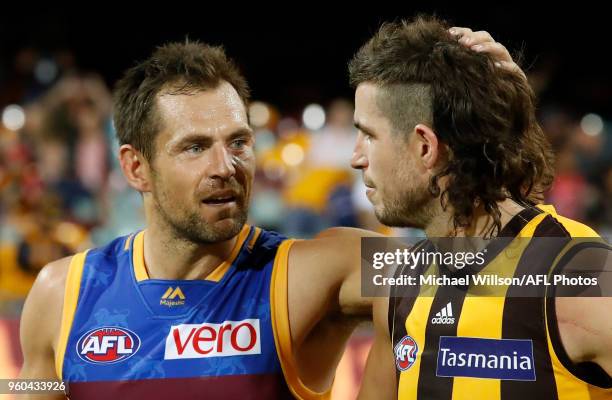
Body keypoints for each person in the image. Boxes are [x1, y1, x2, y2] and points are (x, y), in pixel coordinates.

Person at [19, 30, 518, 400]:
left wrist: (500, 125)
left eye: (238, 142)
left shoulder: (316, 271)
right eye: (194, 147)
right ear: (135, 167)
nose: (226, 167)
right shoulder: (61, 293)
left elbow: (498, 268)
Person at [349, 16, 612, 400]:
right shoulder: (397, 279)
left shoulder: (582, 274)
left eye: (368, 135)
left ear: (425, 146)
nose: (356, 158)